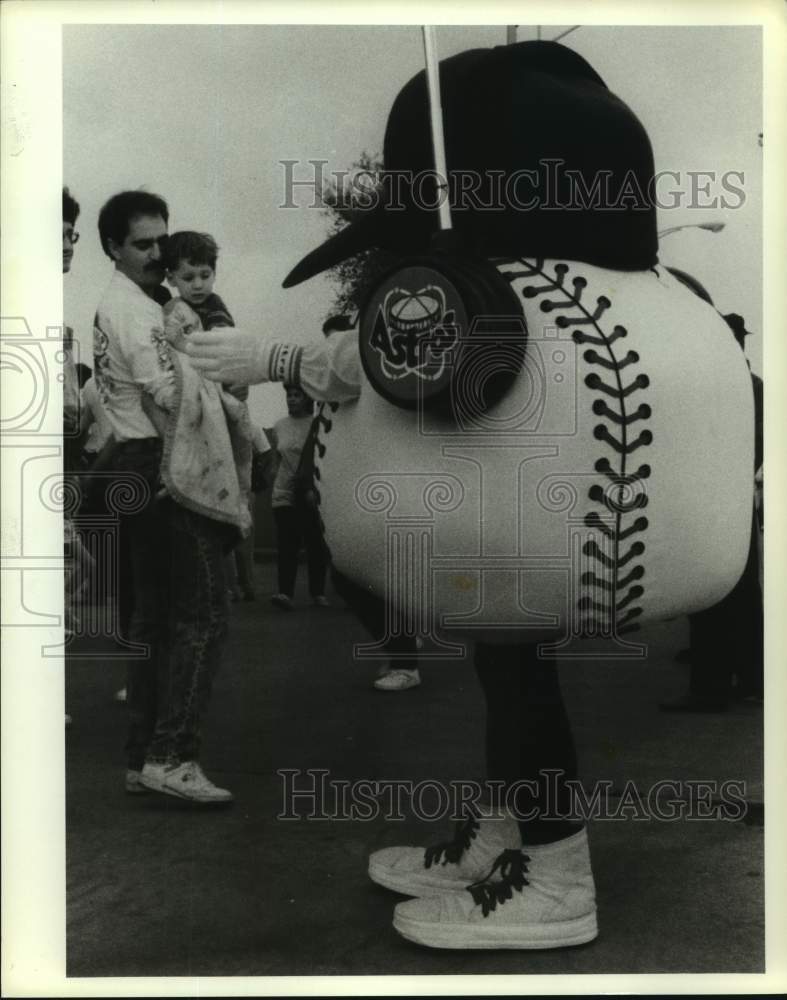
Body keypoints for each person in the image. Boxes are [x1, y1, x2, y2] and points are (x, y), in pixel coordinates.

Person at [184, 41, 755, 950]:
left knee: (518, 682)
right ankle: (509, 834)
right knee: (508, 678)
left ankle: (559, 877)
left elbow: (404, 363)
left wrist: (273, 357)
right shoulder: (658, 298)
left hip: (525, 547)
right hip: (547, 541)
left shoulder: (503, 298)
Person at [93, 190, 240, 804]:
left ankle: (143, 758)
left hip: (134, 462)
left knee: (153, 619)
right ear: (114, 249)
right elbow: (167, 395)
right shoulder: (133, 309)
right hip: (160, 463)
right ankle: (172, 756)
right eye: (143, 244)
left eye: (161, 239)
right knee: (203, 613)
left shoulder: (138, 303)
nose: (158, 253)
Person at [269, 385, 328, 610]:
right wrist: (275, 473)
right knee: (287, 544)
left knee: (315, 542)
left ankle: (318, 593)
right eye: (289, 395)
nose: (291, 400)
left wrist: (313, 486)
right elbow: (277, 455)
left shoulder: (316, 425)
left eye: (296, 396)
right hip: (283, 492)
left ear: (307, 399)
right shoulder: (279, 426)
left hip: (310, 491)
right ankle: (285, 593)